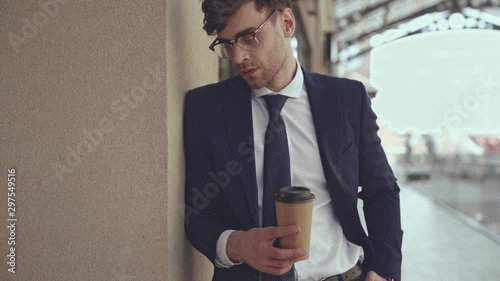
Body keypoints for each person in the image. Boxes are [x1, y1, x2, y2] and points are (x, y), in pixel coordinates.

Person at [183, 1, 403, 281]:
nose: (238, 57)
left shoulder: (346, 99)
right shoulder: (205, 108)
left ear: (287, 23)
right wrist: (237, 245)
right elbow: (197, 213)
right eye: (227, 44)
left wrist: (384, 271)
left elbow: (381, 191)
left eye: (249, 37)